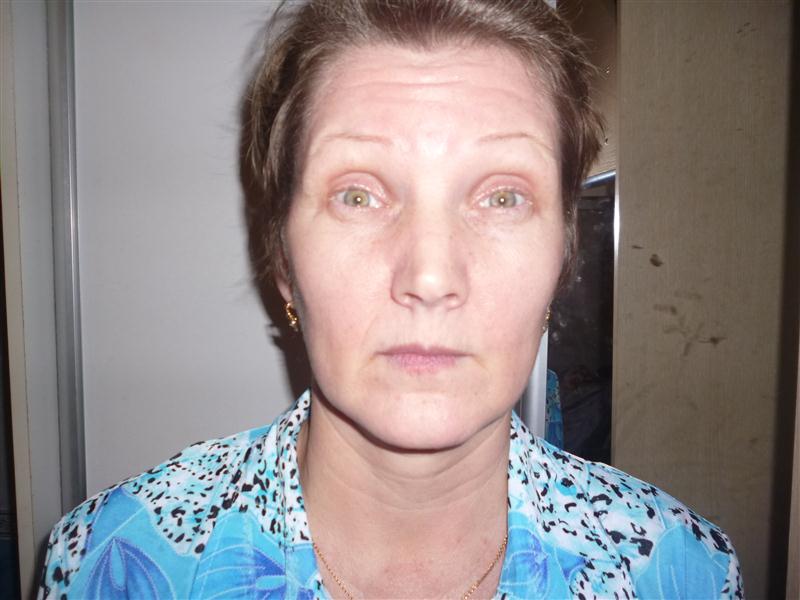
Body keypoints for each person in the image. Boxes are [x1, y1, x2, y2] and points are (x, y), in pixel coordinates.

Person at [39, 1, 742, 598]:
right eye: (358, 195)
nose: (430, 276)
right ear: (282, 260)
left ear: (562, 257)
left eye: (502, 197)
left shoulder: (681, 574)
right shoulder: (110, 564)